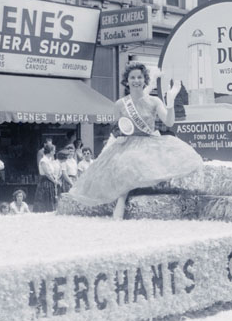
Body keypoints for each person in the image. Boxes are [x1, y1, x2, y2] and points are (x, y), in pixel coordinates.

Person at [67, 62, 202, 220]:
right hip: (127, 144)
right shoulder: (120, 104)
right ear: (127, 80)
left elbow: (169, 122)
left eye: (139, 77)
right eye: (133, 77)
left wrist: (170, 101)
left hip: (149, 142)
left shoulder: (154, 101)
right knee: (126, 163)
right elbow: (116, 128)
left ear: (145, 80)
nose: (136, 80)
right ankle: (121, 201)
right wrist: (119, 134)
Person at [34, 141, 60, 212]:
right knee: (44, 201)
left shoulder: (49, 160)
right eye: (54, 150)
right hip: (45, 183)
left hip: (50, 182)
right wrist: (54, 181)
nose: (55, 152)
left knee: (50, 201)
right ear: (50, 151)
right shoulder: (44, 160)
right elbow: (47, 174)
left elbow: (52, 172)